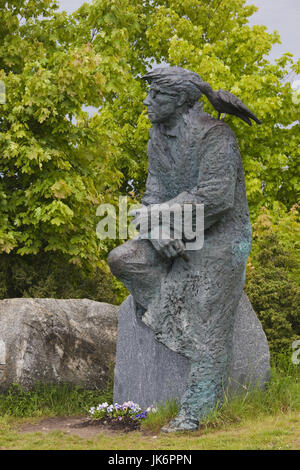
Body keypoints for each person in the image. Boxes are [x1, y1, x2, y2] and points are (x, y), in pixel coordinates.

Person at [108, 66, 252, 431]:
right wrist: (157, 229)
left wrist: (162, 219)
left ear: (181, 100)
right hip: (172, 231)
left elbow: (217, 199)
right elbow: (152, 195)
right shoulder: (156, 140)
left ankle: (197, 410)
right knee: (123, 258)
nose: (147, 101)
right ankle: (174, 320)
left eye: (156, 95)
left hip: (221, 237)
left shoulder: (217, 136)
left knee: (206, 304)